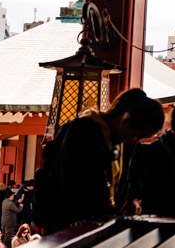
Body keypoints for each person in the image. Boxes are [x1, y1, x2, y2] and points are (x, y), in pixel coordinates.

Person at [39, 88, 164, 232]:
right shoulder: (81, 132)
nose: (136, 141)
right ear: (126, 120)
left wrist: (131, 199)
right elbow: (81, 188)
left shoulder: (116, 139)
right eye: (136, 136)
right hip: (69, 224)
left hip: (96, 224)